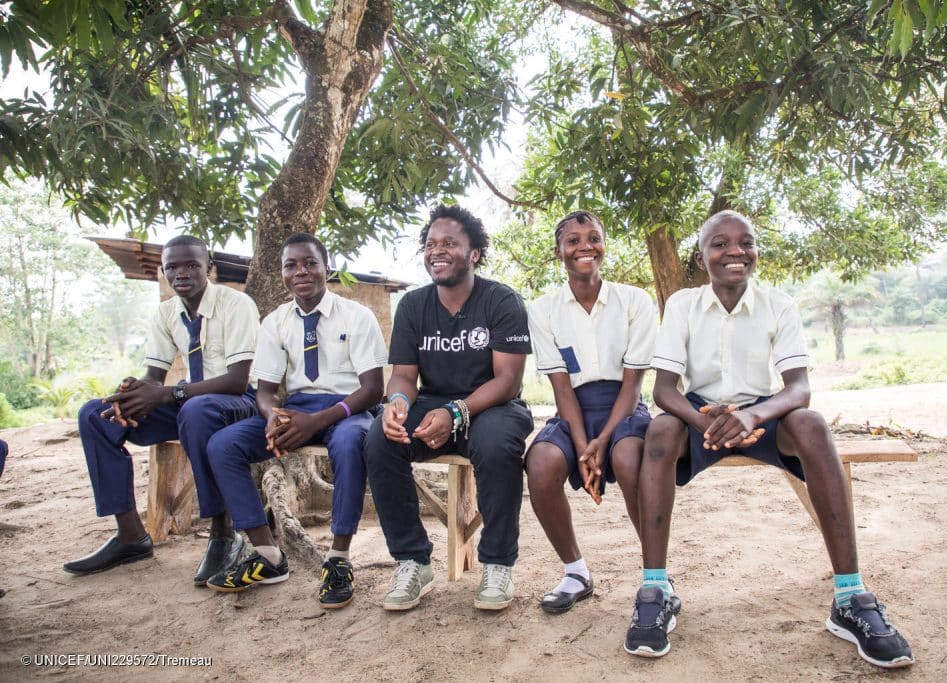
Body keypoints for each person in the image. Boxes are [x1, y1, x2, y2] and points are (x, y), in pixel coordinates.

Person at [623, 210, 914, 668]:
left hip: (764, 414)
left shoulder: (779, 304)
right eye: (719, 243)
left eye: (746, 242)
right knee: (659, 429)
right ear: (701, 256)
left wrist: (752, 415)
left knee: (813, 423)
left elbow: (798, 387)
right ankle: (655, 589)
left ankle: (849, 597)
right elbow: (663, 391)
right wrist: (708, 424)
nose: (734, 251)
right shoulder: (682, 304)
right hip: (702, 416)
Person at [364, 204, 533, 612]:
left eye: (449, 243)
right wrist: (398, 404)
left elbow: (507, 381)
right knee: (379, 440)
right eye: (430, 244)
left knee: (496, 444)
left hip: (493, 403)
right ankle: (412, 561)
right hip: (433, 403)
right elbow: (404, 375)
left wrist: (458, 413)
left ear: (474, 253)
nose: (436, 251)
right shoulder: (412, 306)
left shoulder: (502, 301)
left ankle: (496, 563)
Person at [204, 233, 386, 609]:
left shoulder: (357, 316)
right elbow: (266, 390)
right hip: (299, 409)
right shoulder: (276, 321)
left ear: (326, 269)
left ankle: (338, 558)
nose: (300, 271)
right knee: (223, 445)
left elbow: (372, 390)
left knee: (352, 443)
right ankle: (267, 555)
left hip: (348, 408)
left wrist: (316, 422)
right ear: (283, 274)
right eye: (291, 265)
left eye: (309, 263)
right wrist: (272, 416)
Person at [65, 235, 259, 585]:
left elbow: (237, 381)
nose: (181, 273)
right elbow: (154, 376)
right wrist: (130, 393)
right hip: (189, 403)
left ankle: (223, 532)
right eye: (172, 267)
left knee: (195, 410)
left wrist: (168, 393)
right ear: (164, 271)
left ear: (208, 268)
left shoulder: (236, 304)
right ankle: (130, 536)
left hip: (239, 403)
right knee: (95, 414)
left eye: (191, 265)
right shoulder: (167, 312)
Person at [525, 210, 656, 613]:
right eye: (573, 240)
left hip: (624, 406)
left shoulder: (634, 301)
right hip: (574, 411)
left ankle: (656, 579)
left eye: (593, 237)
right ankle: (575, 572)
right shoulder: (544, 309)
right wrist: (585, 448)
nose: (585, 247)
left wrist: (602, 441)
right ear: (559, 252)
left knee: (629, 459)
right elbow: (561, 388)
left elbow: (633, 384)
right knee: (542, 463)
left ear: (604, 244)